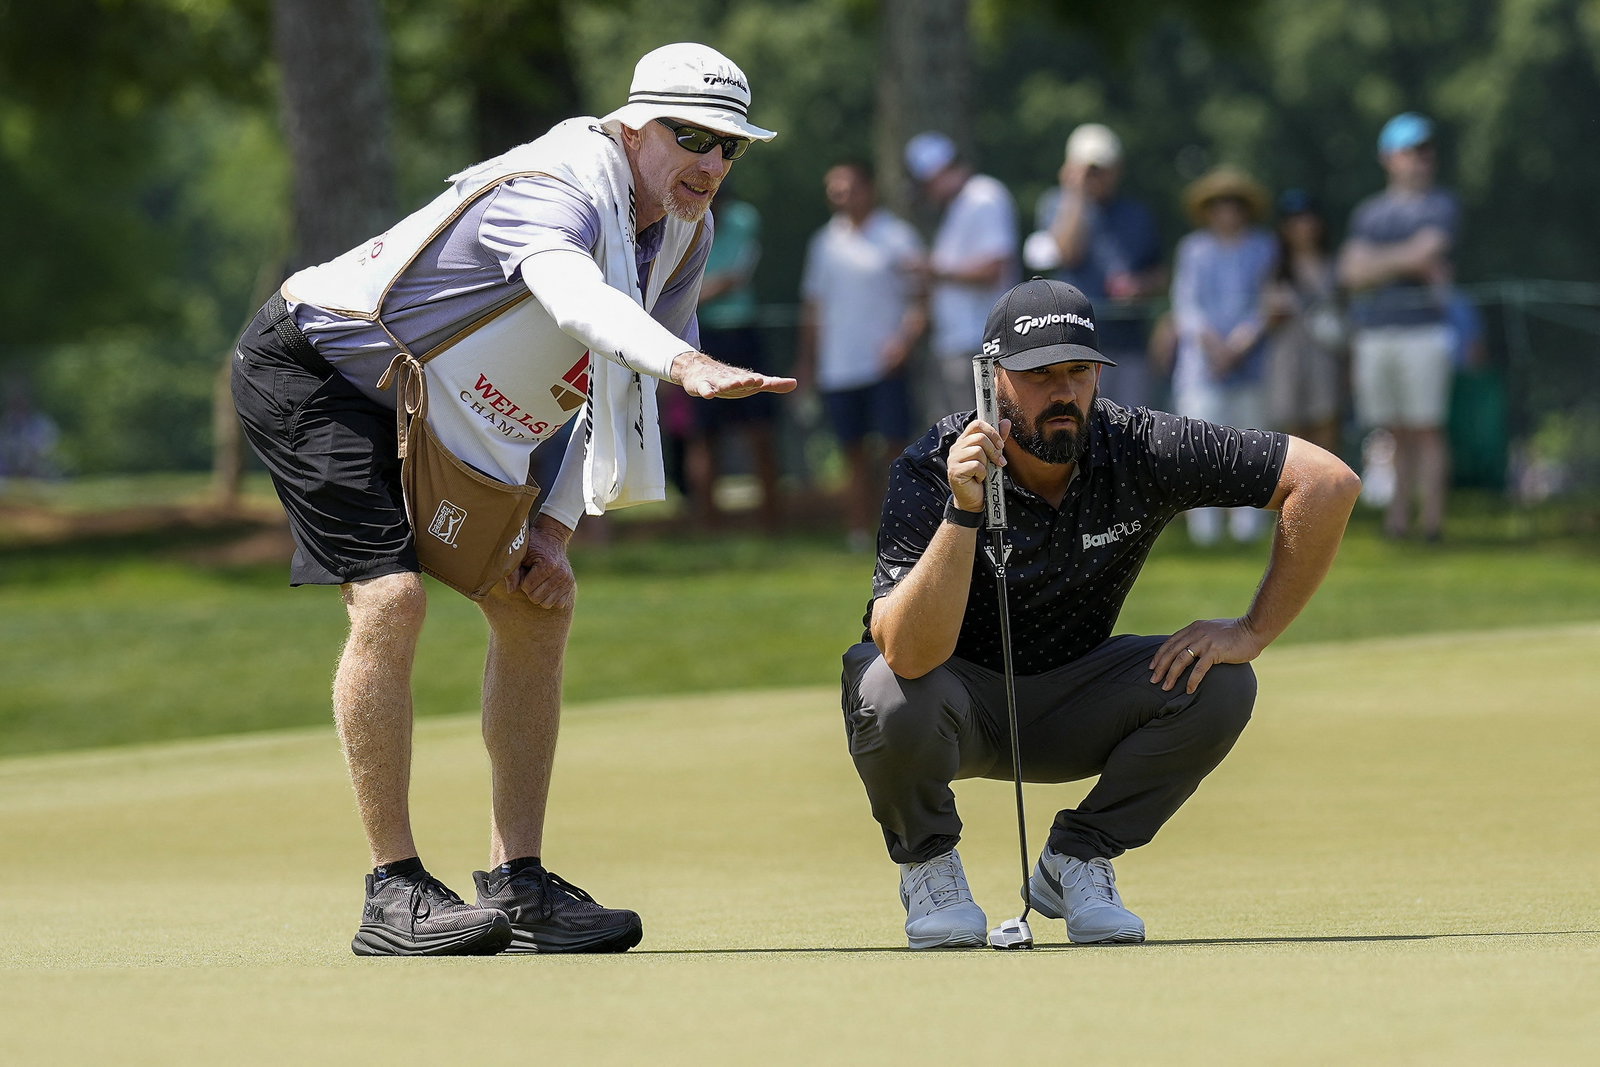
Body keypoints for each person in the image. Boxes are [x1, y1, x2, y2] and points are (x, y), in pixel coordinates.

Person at [231, 42, 793, 957]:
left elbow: (620, 381)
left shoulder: (685, 228)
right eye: (690, 136)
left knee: (541, 602)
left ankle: (519, 883)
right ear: (633, 126)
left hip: (444, 406)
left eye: (733, 146)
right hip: (321, 372)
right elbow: (579, 305)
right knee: (391, 598)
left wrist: (557, 528)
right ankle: (394, 890)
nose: (712, 163)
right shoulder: (555, 184)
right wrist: (686, 358)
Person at [840, 278, 1360, 949]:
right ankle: (930, 866)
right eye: (1039, 374)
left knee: (1223, 680)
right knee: (881, 686)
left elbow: (1327, 482)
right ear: (994, 379)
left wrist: (1251, 631)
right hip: (953, 699)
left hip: (1074, 698)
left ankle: (1077, 859)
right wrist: (964, 506)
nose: (1063, 392)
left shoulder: (1138, 445)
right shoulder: (932, 467)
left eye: (1079, 371)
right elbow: (908, 654)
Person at [1337, 112, 1461, 542]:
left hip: (1424, 330)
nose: (1421, 159)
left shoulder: (1442, 205)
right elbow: (1350, 273)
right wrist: (1405, 260)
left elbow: (1428, 252)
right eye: (1411, 150)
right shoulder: (1369, 212)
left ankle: (1431, 523)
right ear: (1388, 157)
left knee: (1426, 427)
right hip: (1377, 332)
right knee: (1394, 430)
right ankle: (1398, 520)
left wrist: (1378, 263)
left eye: (1426, 150)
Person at [795, 160, 927, 551]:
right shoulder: (823, 243)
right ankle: (857, 529)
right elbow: (814, 308)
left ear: (868, 188)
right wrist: (808, 360)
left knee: (894, 449)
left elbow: (921, 300)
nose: (840, 196)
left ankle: (902, 526)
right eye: (834, 189)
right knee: (851, 452)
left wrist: (904, 342)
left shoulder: (898, 237)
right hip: (840, 366)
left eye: (848, 187)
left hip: (885, 363)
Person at [1170, 166, 1279, 546]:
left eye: (1234, 203)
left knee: (1253, 448)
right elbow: (1186, 306)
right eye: (1220, 204)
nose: (1227, 210)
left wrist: (1242, 342)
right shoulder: (1193, 249)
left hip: (1251, 364)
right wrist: (1214, 345)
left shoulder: (1263, 247)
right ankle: (1206, 532)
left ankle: (1248, 529)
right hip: (1203, 367)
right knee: (1200, 449)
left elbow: (1267, 302)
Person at [1023, 123, 1165, 409]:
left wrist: (1139, 286)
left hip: (1128, 344)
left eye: (1101, 168)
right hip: (1075, 344)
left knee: (1132, 429)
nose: (1096, 176)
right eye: (1089, 168)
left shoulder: (1137, 212)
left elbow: (1161, 273)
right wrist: (1075, 192)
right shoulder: (1056, 205)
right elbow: (1066, 253)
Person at [682, 183, 783, 533]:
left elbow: (733, 278)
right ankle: (707, 525)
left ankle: (771, 522)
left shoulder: (744, 219)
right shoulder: (681, 220)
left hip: (742, 332)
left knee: (760, 430)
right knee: (704, 434)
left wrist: (690, 296)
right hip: (702, 337)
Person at [903, 131, 1018, 425]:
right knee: (962, 430)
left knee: (981, 429)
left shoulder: (983, 196)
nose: (927, 192)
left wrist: (934, 270)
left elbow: (994, 267)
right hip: (959, 342)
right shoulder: (961, 206)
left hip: (979, 341)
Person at [1265, 189, 1347, 455]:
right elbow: (1265, 319)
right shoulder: (1275, 269)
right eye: (1295, 220)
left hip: (1326, 361)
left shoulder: (1335, 267)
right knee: (1292, 447)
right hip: (1288, 362)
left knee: (1327, 443)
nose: (1303, 226)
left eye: (1308, 218)